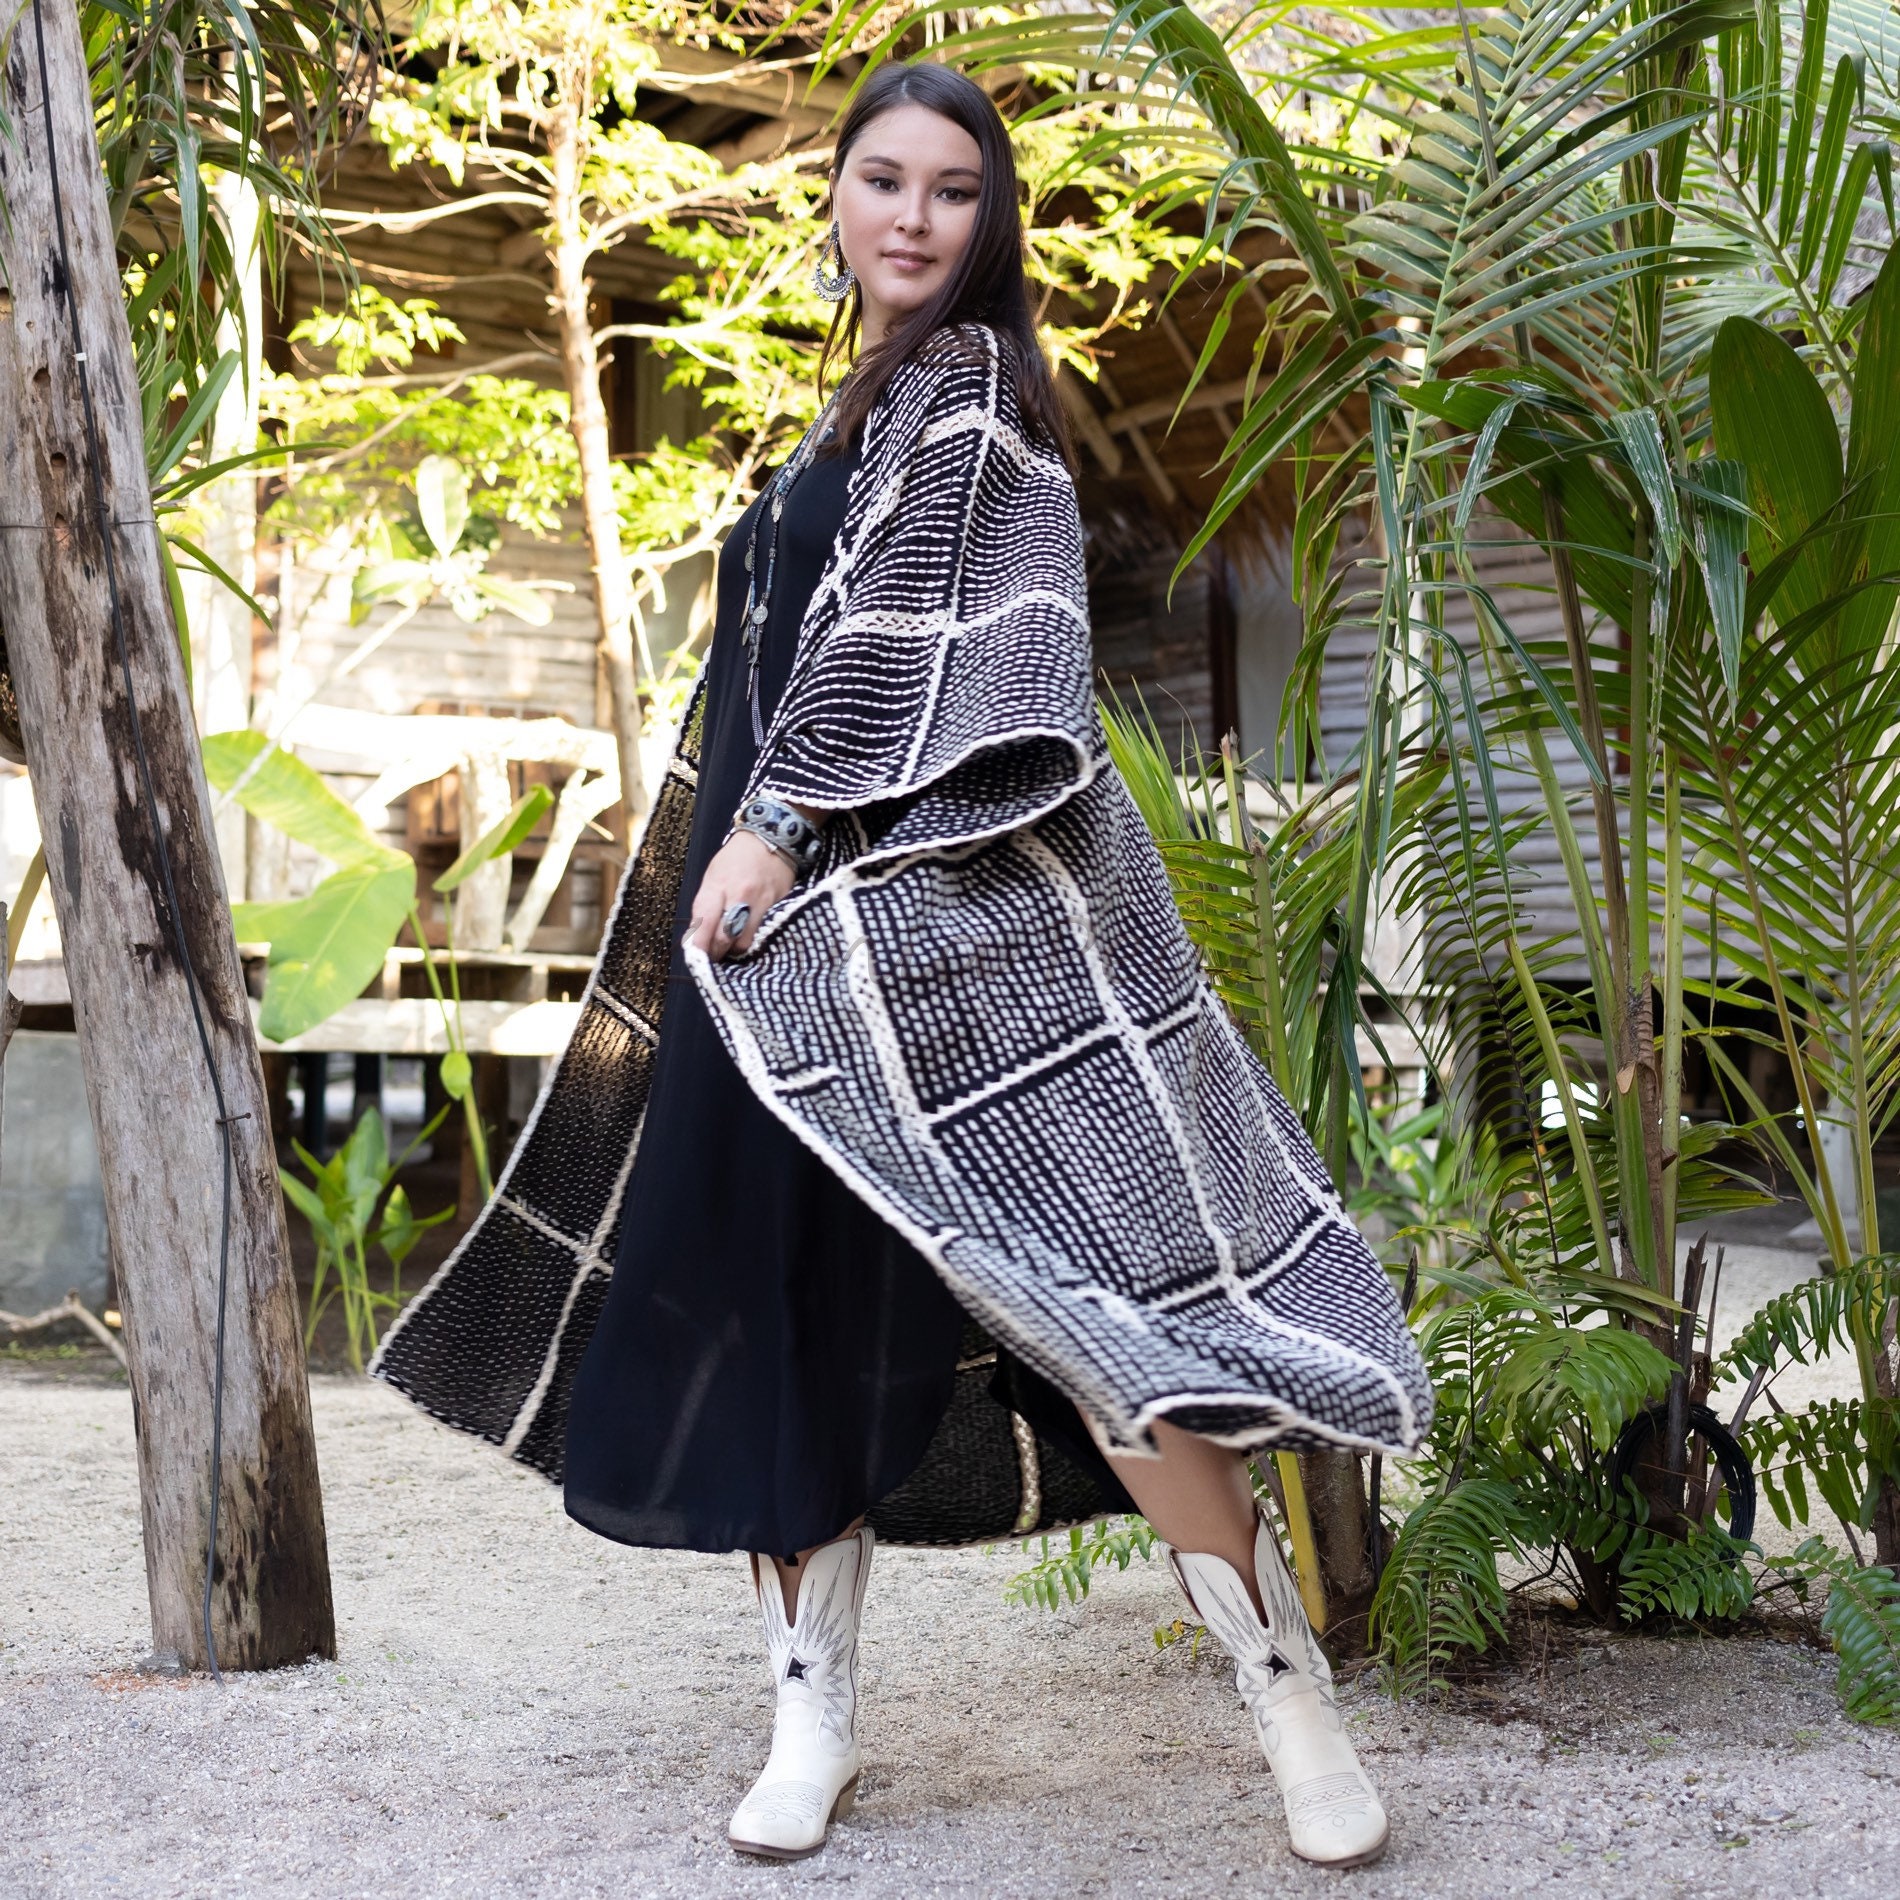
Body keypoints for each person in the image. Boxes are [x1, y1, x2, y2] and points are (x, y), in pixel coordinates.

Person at [373, 58, 1430, 1874]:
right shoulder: (852, 407)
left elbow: (910, 645)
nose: (916, 217)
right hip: (783, 966)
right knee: (777, 1319)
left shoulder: (973, 397)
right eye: (883, 179)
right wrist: (748, 858)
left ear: (990, 218)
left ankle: (1287, 1696)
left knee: (1096, 1304)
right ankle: (815, 1716)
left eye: (954, 188)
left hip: (929, 945)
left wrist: (780, 824)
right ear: (839, 198)